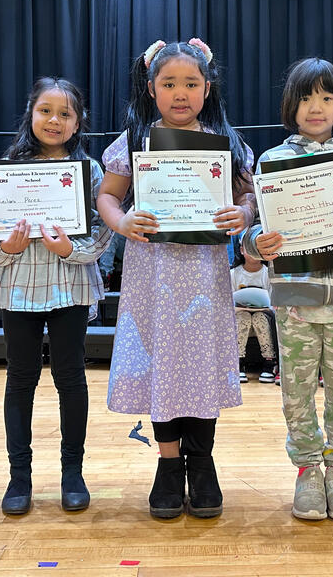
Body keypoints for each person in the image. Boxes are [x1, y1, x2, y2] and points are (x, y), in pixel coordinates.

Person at [97, 38, 255, 520]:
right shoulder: (135, 140)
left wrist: (244, 214)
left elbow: (249, 197)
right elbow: (107, 197)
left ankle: (202, 463)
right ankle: (168, 464)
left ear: (207, 88)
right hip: (152, 277)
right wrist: (122, 221)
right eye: (169, 83)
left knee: (201, 366)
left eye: (190, 83)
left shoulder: (224, 141)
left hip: (205, 278)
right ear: (151, 88)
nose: (180, 93)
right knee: (162, 365)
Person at [242, 57, 333, 522]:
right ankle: (307, 469)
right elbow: (255, 230)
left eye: (326, 97)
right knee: (296, 389)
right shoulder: (272, 160)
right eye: (305, 98)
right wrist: (256, 242)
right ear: (291, 105)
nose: (316, 107)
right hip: (294, 299)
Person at [0, 77, 112, 516]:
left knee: (70, 378)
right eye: (45, 111)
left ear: (78, 122)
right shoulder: (7, 168)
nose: (54, 120)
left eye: (65, 113)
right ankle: (19, 477)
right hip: (18, 287)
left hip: (70, 285)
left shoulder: (90, 171)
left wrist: (71, 250)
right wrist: (7, 248)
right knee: (20, 380)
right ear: (31, 113)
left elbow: (105, 230)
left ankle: (72, 473)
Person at [230, 247, 276, 383]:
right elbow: (228, 304)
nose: (254, 253)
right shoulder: (233, 274)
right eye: (250, 249)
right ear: (242, 250)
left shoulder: (268, 273)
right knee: (243, 317)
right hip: (240, 315)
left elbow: (273, 304)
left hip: (264, 317)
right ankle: (238, 363)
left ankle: (269, 363)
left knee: (258, 318)